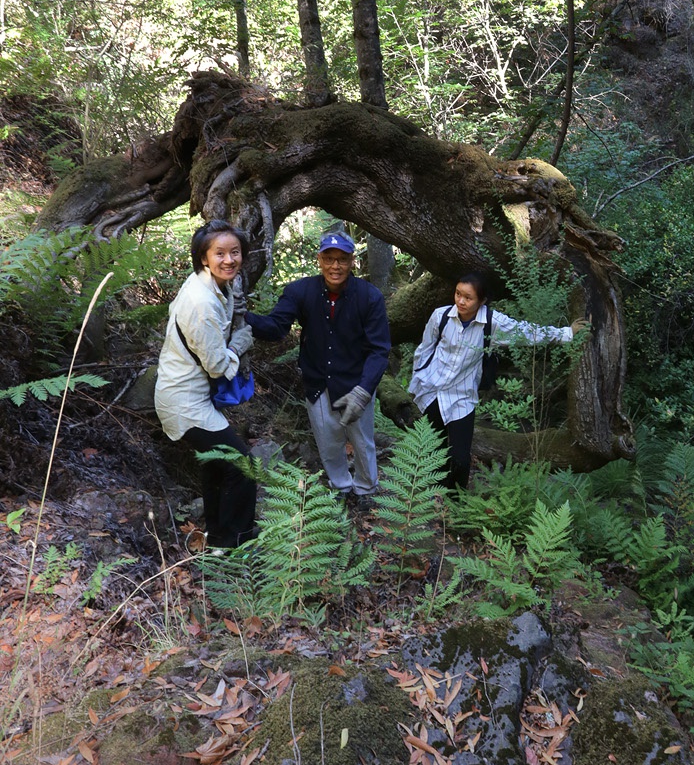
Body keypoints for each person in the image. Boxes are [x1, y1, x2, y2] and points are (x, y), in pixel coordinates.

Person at [408, 270, 589, 491]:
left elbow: (525, 332)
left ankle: (454, 503)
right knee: (432, 449)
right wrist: (419, 379)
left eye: (468, 297)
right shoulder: (441, 316)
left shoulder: (493, 323)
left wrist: (565, 334)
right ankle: (431, 499)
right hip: (432, 391)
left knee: (460, 458)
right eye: (457, 294)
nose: (460, 301)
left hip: (461, 398)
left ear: (482, 300)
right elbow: (425, 349)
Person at [247, 230, 391, 501]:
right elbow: (277, 327)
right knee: (328, 442)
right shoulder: (300, 291)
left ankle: (366, 489)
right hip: (317, 381)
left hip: (356, 381)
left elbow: (379, 349)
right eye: (329, 258)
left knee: (362, 442)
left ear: (352, 261)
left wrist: (364, 390)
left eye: (342, 259)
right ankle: (341, 487)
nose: (335, 266)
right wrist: (242, 315)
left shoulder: (369, 296)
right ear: (319, 259)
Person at [155, 220, 257, 549]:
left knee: (216, 463)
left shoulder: (217, 285)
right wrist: (240, 344)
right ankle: (234, 540)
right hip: (183, 403)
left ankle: (217, 537)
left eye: (235, 252)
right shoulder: (201, 303)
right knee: (242, 464)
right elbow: (216, 368)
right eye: (220, 253)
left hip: (189, 397)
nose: (229, 260)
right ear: (204, 258)